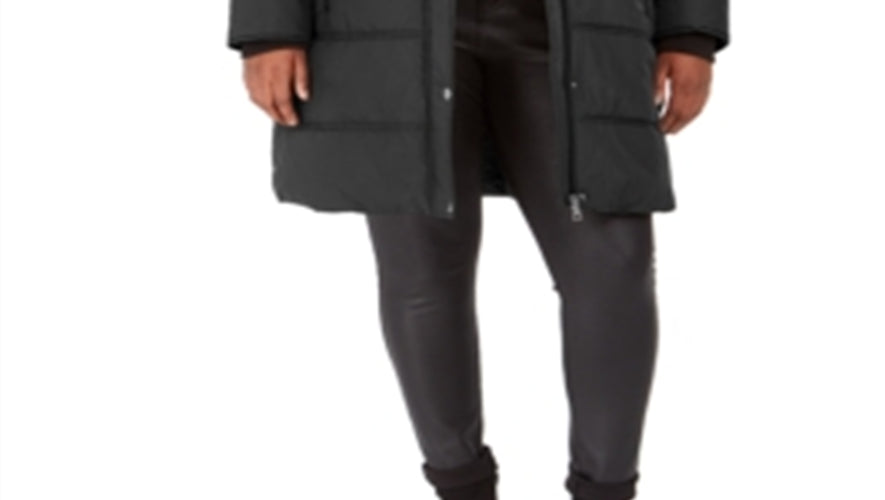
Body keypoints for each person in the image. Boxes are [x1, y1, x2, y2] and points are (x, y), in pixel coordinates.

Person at [227, 0, 729, 498]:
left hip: (588, 26)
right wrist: (268, 28)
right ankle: (461, 486)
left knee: (613, 270)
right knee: (422, 269)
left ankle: (606, 489)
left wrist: (690, 32)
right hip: (392, 26)